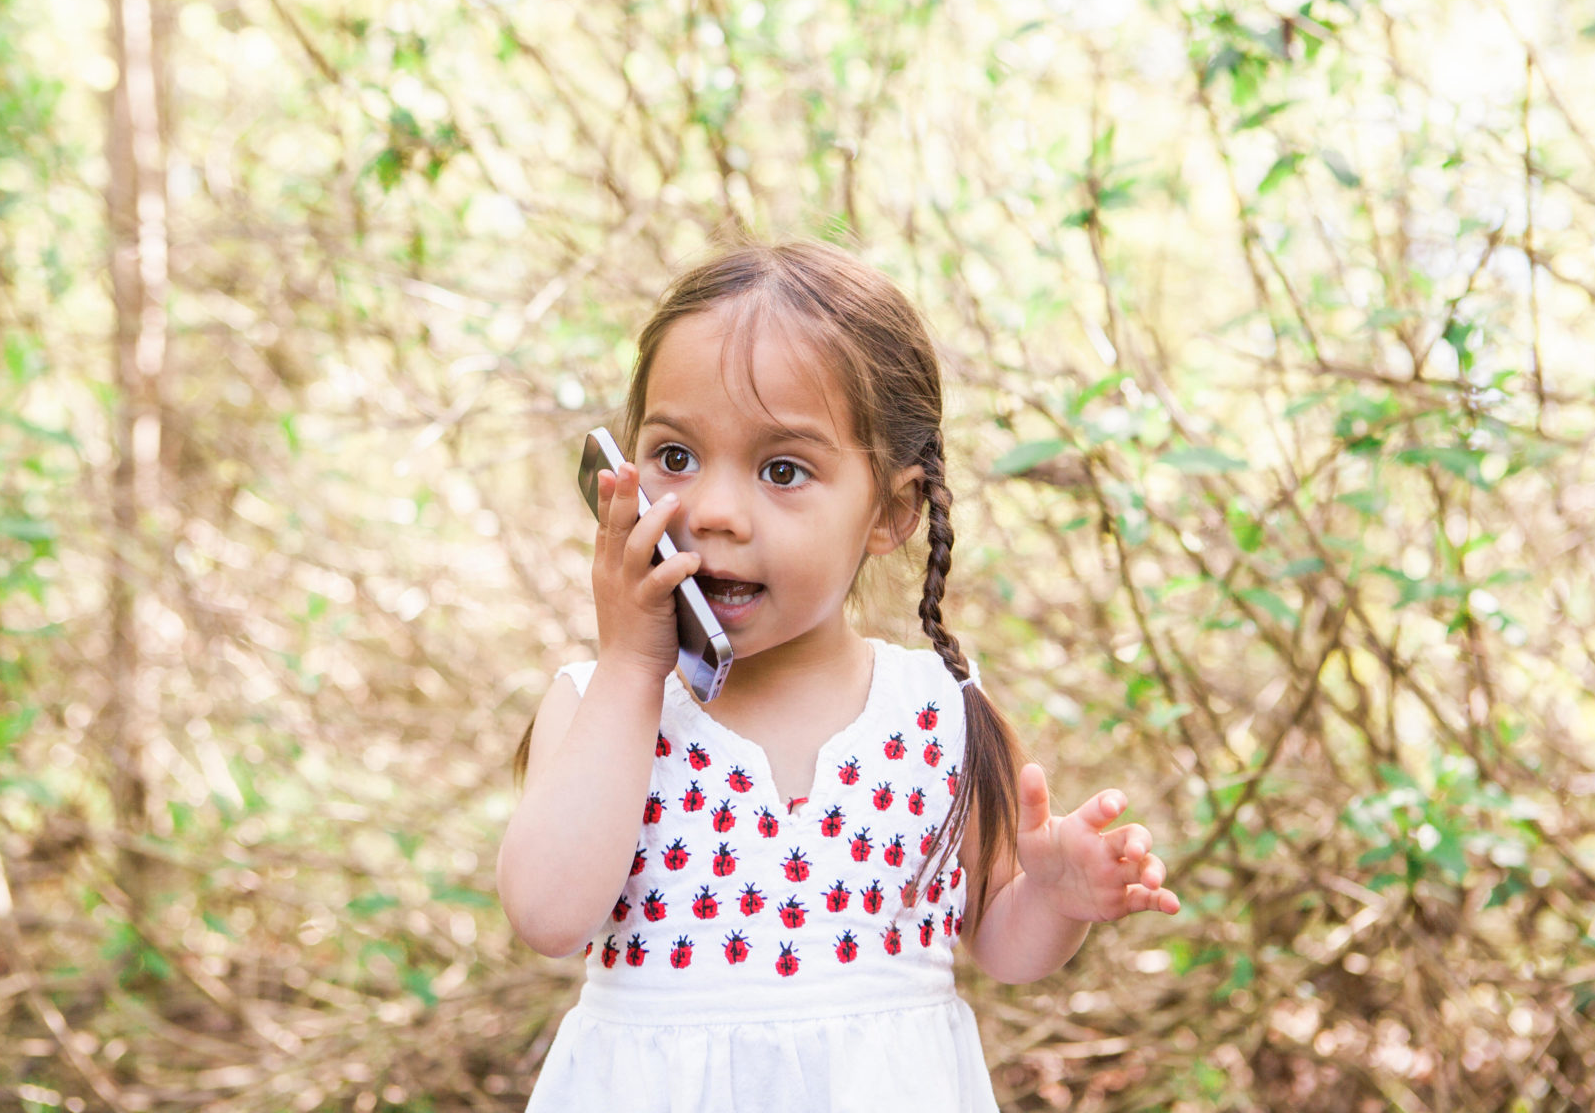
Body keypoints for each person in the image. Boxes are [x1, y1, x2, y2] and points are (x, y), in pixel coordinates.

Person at [497, 239, 1179, 1112]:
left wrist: (1052, 895)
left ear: (891, 511)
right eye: (675, 456)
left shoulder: (940, 711)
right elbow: (549, 917)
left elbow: (1000, 947)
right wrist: (636, 662)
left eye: (783, 470)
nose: (711, 511)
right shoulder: (598, 704)